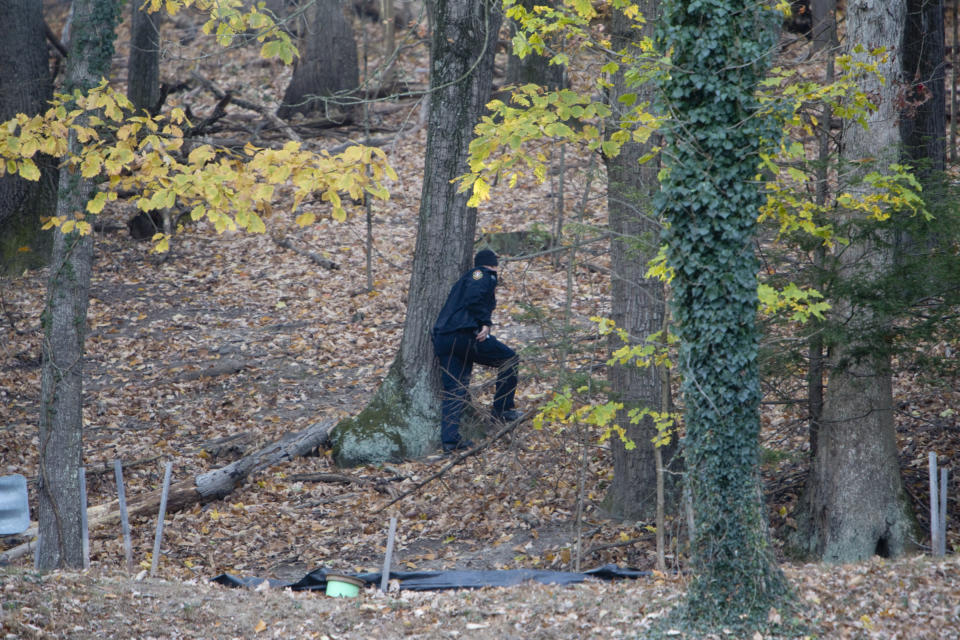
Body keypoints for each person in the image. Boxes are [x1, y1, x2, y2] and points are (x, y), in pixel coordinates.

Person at [432, 248, 520, 452]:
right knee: (510, 359)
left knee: (455, 390)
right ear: (492, 264)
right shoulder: (482, 274)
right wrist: (485, 322)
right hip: (463, 336)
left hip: (444, 339)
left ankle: (450, 443)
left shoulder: (467, 279)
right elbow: (474, 297)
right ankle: (502, 409)